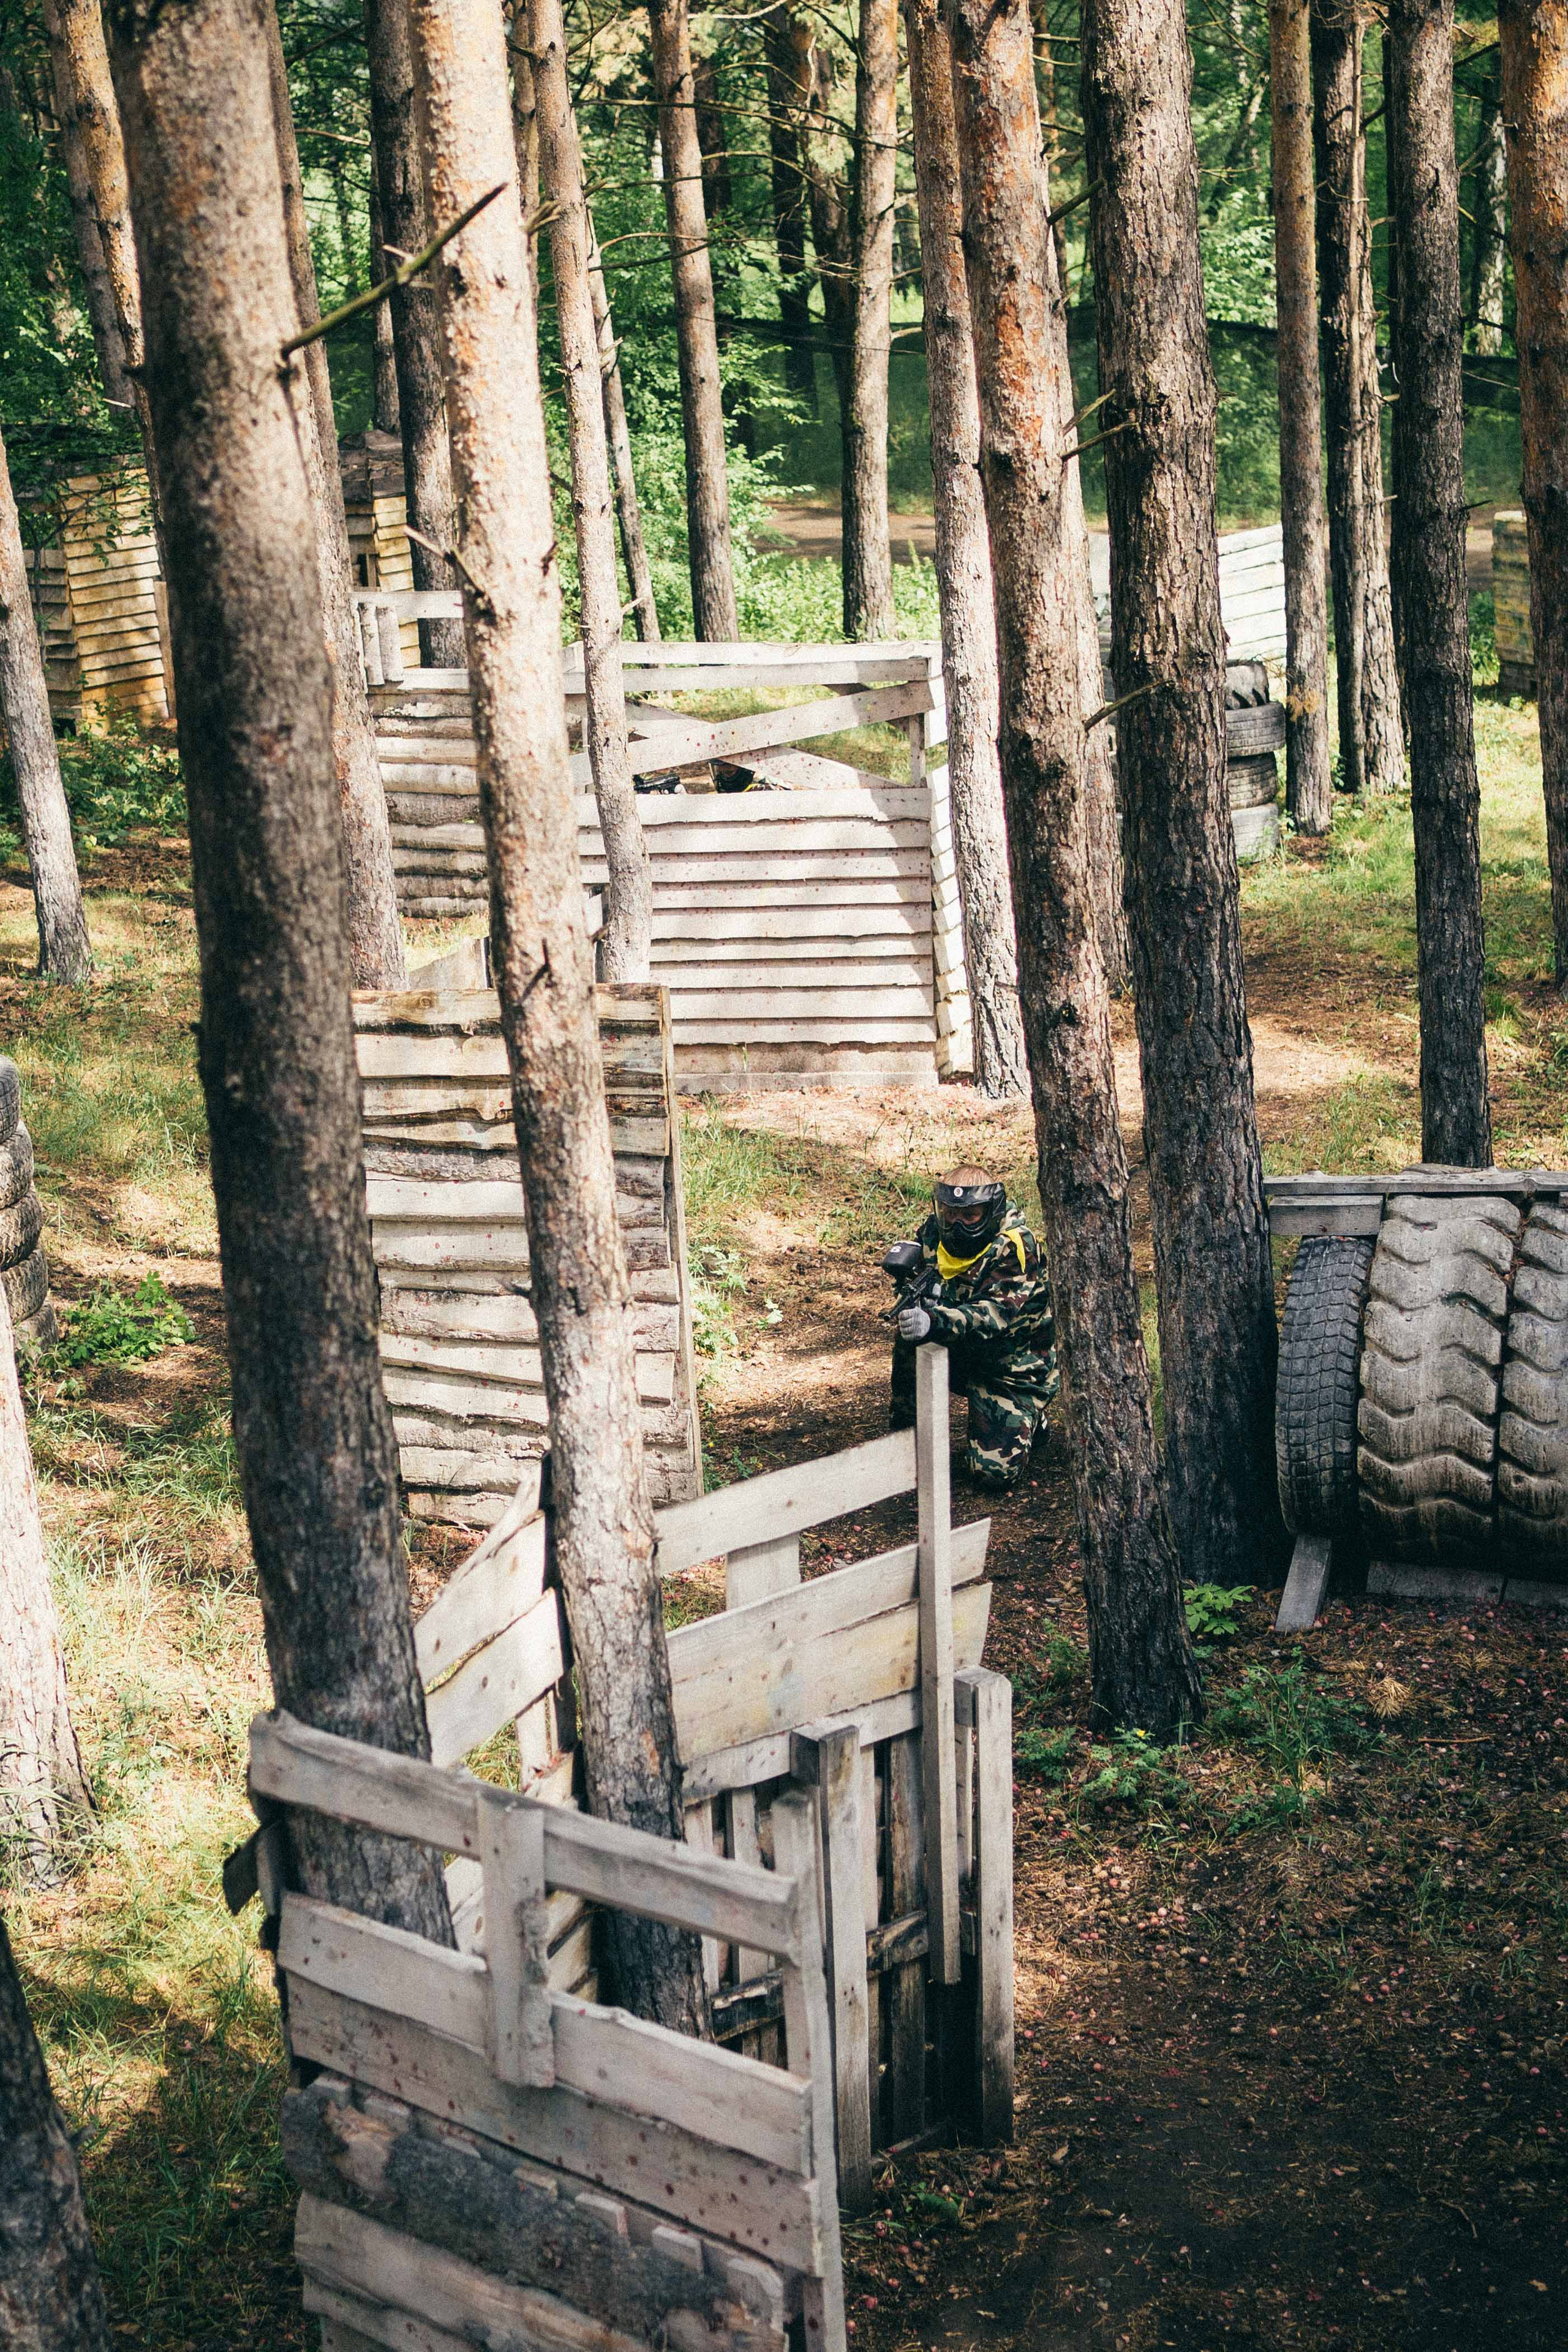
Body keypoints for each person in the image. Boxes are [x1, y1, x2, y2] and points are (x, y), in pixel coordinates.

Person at [889, 1165, 1058, 1491]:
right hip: (962, 1352)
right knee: (909, 1336)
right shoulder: (934, 1233)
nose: (957, 1225)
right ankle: (907, 1441)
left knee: (991, 1476)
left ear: (989, 1212)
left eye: (969, 1216)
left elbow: (992, 1316)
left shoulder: (1016, 1246)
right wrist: (913, 1299)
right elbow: (913, 1280)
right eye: (950, 1214)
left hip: (1010, 1370)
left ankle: (1032, 1417)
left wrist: (935, 1319)